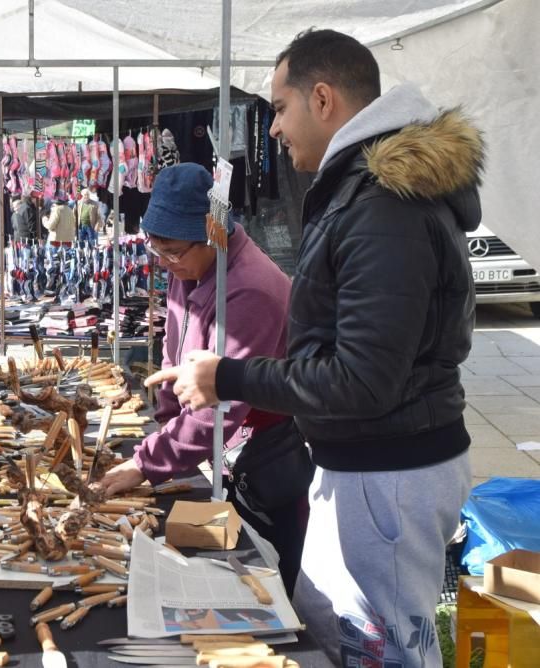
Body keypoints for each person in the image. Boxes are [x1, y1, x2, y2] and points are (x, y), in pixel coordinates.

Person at [146, 29, 484, 668]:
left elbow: (362, 381)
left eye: (278, 108)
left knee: (380, 654)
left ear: (322, 98)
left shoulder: (385, 206)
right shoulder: (368, 194)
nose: (271, 129)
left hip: (387, 471)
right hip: (367, 465)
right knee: (337, 641)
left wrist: (232, 376)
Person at [96, 164, 304, 592]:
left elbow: (221, 406)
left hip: (262, 461)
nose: (168, 264)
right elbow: (177, 352)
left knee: (262, 583)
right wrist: (166, 422)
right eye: (159, 253)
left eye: (174, 252)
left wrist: (148, 463)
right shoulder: (189, 267)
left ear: (211, 235)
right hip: (218, 455)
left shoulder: (250, 291)